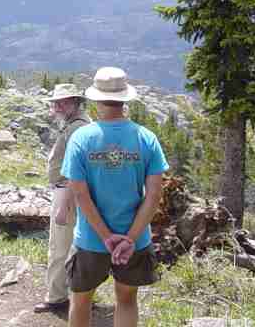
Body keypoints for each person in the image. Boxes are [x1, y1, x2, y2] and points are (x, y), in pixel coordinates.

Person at [56, 67, 168, 327]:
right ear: (125, 98)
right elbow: (153, 197)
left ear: (95, 99)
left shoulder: (81, 139)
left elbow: (81, 196)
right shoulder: (146, 138)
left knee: (81, 301)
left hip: (91, 239)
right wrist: (128, 239)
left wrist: (107, 238)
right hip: (135, 239)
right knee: (127, 300)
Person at [34, 83, 90, 314]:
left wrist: (64, 203)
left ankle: (57, 298)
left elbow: (74, 169)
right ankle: (77, 292)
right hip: (73, 192)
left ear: (76, 102)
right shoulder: (77, 125)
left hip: (67, 192)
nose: (58, 106)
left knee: (59, 247)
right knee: (72, 246)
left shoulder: (77, 128)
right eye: (56, 102)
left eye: (64, 101)